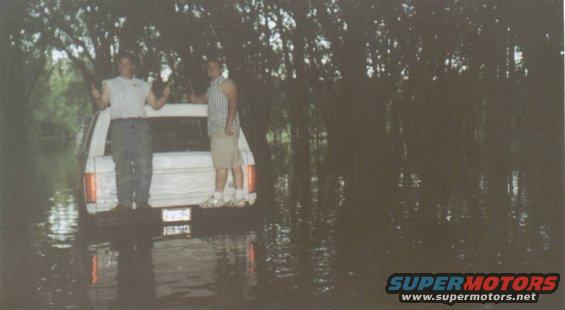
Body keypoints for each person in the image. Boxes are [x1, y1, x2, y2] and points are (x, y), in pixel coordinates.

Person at [90, 52, 171, 214]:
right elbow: (103, 105)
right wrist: (96, 96)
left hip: (140, 126)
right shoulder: (110, 83)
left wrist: (165, 95)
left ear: (133, 66)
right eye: (121, 63)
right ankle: (124, 203)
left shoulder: (143, 84)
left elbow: (155, 105)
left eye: (127, 63)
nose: (123, 66)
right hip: (119, 126)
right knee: (122, 165)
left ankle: (142, 202)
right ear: (118, 66)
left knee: (144, 164)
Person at [194, 58, 245, 208]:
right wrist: (194, 99)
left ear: (220, 69)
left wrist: (228, 124)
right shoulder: (212, 87)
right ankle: (239, 197)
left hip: (223, 129)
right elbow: (203, 99)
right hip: (220, 130)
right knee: (235, 163)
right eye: (208, 68)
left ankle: (217, 198)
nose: (210, 71)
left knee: (221, 165)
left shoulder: (226, 83)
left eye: (213, 68)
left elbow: (234, 102)